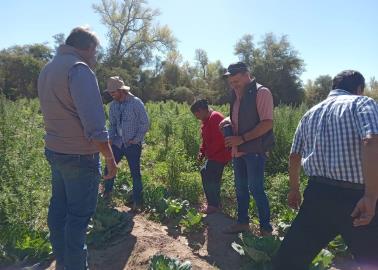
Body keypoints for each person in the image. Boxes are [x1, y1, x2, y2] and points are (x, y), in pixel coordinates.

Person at [273, 70, 378, 270]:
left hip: (318, 195)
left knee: (289, 259)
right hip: (357, 198)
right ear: (359, 89)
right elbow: (372, 141)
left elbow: (294, 156)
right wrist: (371, 196)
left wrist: (294, 189)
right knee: (372, 260)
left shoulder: (310, 113)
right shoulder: (362, 103)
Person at [38, 27, 117, 270]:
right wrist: (111, 160)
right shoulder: (79, 70)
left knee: (59, 212)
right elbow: (94, 127)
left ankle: (63, 264)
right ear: (89, 48)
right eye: (96, 52)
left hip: (56, 151)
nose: (95, 57)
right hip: (79, 157)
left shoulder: (48, 69)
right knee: (77, 220)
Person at [220, 62, 275, 235]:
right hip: (238, 151)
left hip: (255, 151)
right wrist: (228, 120)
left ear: (246, 75)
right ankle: (242, 223)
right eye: (231, 81)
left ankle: (265, 229)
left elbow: (267, 123)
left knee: (256, 189)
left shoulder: (261, 92)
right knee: (240, 188)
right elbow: (240, 115)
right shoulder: (236, 94)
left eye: (236, 80)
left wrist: (241, 138)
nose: (233, 84)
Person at [102, 76, 149, 211]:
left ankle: (137, 203)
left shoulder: (136, 103)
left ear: (121, 90)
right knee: (109, 168)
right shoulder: (113, 106)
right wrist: (110, 139)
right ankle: (107, 194)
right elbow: (112, 125)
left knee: (135, 173)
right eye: (110, 93)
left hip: (132, 144)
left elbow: (145, 123)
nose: (111, 95)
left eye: (113, 92)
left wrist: (136, 139)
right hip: (117, 143)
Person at [190, 99, 231, 214]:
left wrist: (208, 154)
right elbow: (206, 140)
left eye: (196, 114)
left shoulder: (215, 118)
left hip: (220, 155)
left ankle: (213, 205)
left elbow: (219, 141)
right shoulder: (207, 120)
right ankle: (214, 203)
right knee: (207, 174)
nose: (196, 117)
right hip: (214, 155)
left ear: (202, 110)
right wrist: (202, 152)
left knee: (210, 176)